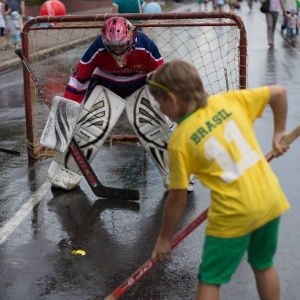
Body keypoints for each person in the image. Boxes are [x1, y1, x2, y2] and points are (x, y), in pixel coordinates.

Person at [149, 60, 290, 300]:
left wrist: (164, 238)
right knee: (263, 264)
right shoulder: (229, 100)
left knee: (210, 279)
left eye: (160, 102)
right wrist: (279, 132)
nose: (160, 108)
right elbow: (279, 93)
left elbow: (178, 198)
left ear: (172, 100)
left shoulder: (179, 141)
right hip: (269, 199)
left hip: (232, 213)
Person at [42, 17, 194, 193]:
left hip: (140, 87)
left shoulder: (146, 45)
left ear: (131, 37)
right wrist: (69, 108)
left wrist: (167, 108)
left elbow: (161, 77)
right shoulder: (98, 46)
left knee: (153, 124)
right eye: (113, 47)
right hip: (107, 86)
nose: (118, 50)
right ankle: (65, 172)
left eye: (121, 46)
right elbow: (80, 78)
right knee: (89, 127)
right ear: (105, 41)